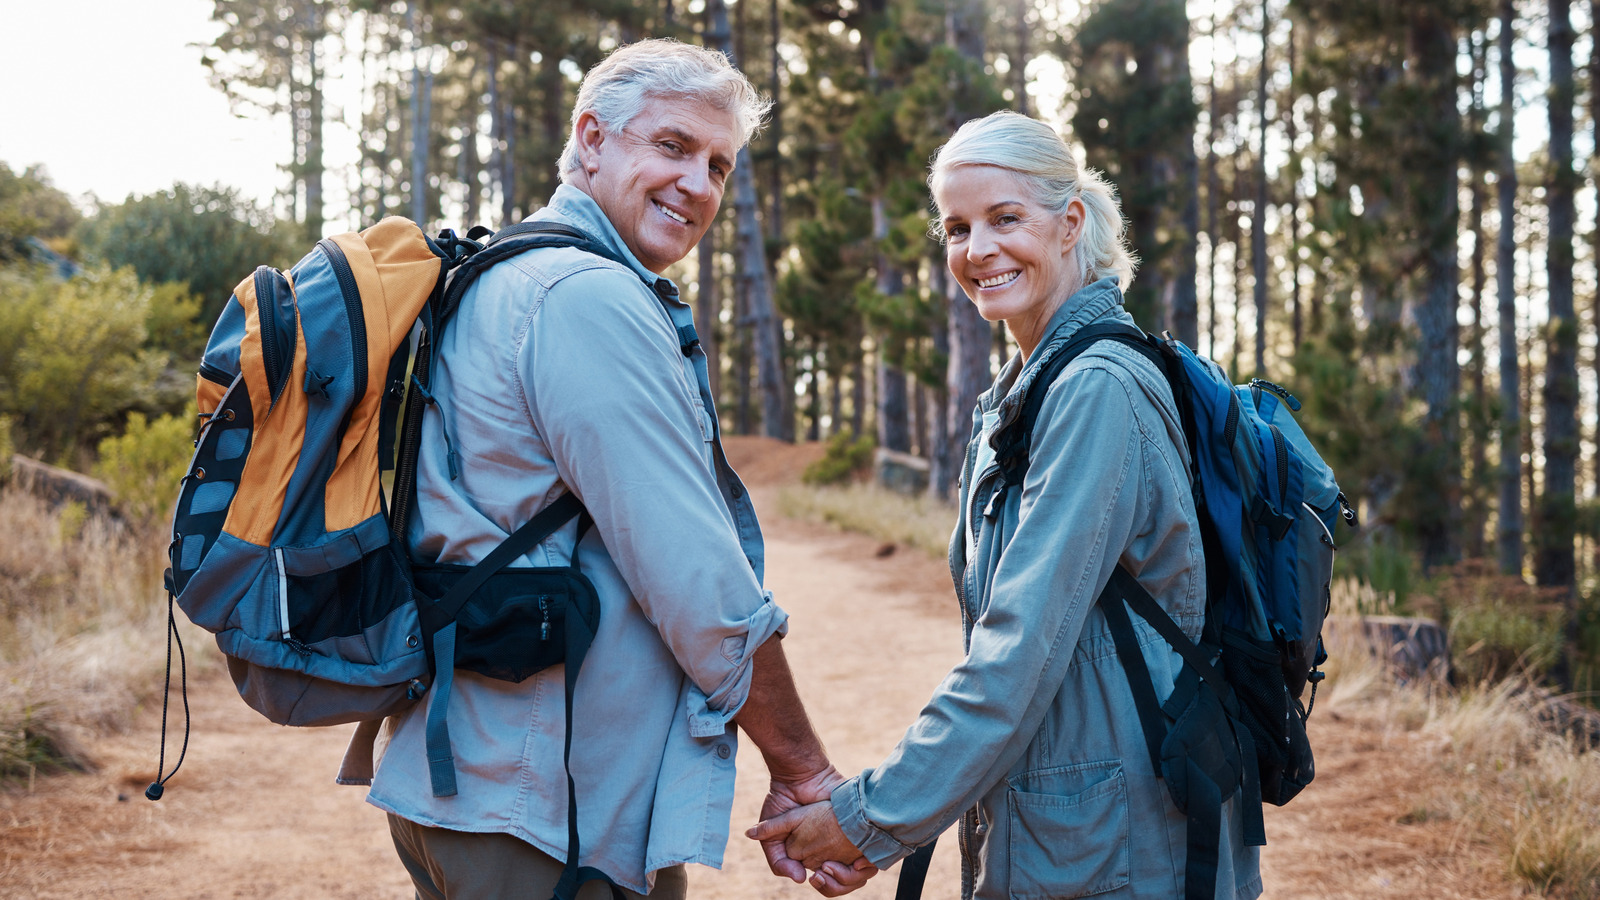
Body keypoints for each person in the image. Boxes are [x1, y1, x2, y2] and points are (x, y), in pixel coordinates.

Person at [363, 39, 873, 899]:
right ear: (592, 139)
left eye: (719, 165)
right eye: (672, 147)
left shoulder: (501, 274)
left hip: (472, 783)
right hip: (544, 811)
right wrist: (804, 769)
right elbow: (696, 579)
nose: (700, 186)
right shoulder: (583, 298)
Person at [747, 109, 1264, 899]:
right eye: (956, 228)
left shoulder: (1097, 390)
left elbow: (1018, 652)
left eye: (1005, 218)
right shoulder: (1024, 392)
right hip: (1067, 822)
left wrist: (868, 817)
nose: (977, 249)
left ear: (1071, 224)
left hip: (1121, 843)